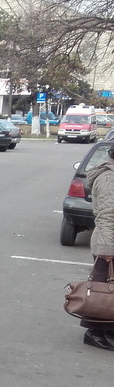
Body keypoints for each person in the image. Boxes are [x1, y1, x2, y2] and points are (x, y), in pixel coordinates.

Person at [81, 147, 114, 351]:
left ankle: (107, 330)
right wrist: (108, 248)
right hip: (108, 242)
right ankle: (94, 332)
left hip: (107, 240)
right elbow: (107, 215)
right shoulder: (109, 179)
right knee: (103, 288)